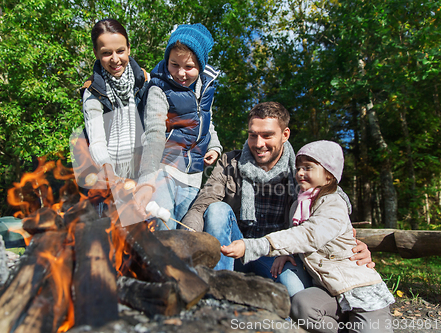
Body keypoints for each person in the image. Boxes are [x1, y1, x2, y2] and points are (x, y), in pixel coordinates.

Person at [181, 102, 374, 298]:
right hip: (232, 250)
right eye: (253, 135)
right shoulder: (230, 163)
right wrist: (185, 239)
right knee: (217, 209)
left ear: (285, 135)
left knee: (296, 295)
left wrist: (353, 245)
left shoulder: (301, 171)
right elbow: (202, 205)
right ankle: (217, 291)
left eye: (267, 135)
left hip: (277, 256)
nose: (258, 143)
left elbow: (331, 203)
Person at [221, 140, 394, 332]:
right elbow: (295, 237)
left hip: (358, 290)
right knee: (301, 305)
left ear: (329, 176)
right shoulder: (299, 205)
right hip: (328, 290)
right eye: (298, 168)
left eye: (308, 168)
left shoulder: (333, 203)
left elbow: (309, 235)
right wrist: (288, 254)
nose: (300, 173)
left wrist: (252, 246)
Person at [134, 23, 222, 229]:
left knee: (185, 235)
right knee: (163, 229)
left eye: (189, 67)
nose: (181, 73)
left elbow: (205, 120)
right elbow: (154, 133)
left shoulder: (206, 86)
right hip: (164, 169)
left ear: (200, 65)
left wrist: (214, 146)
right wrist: (146, 180)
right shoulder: (159, 88)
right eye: (174, 65)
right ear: (167, 60)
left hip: (193, 175)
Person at [73, 18, 149, 217]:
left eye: (120, 51)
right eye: (106, 53)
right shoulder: (92, 92)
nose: (115, 59)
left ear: (129, 49)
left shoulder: (144, 82)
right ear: (96, 54)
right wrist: (110, 175)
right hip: (109, 175)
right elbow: (97, 142)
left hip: (142, 173)